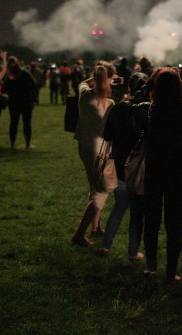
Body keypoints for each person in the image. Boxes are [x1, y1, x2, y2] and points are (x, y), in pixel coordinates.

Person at [133, 67, 182, 282]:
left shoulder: (148, 109)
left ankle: (152, 267)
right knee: (174, 223)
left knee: (151, 220)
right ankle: (172, 270)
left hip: (154, 170)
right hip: (178, 171)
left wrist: (150, 84)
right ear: (179, 88)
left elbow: (135, 99)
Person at [100, 72, 149, 260]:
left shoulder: (120, 107)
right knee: (137, 213)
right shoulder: (147, 109)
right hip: (139, 168)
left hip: (120, 165)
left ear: (129, 87)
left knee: (119, 207)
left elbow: (107, 135)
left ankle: (106, 246)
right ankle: (133, 251)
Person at [71, 61, 116, 248]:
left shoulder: (84, 94)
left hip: (83, 146)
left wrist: (98, 77)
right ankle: (79, 235)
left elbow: (83, 82)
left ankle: (95, 226)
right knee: (101, 192)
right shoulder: (110, 103)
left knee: (94, 186)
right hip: (99, 150)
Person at [2, 56, 38, 149]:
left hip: (14, 102)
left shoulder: (8, 75)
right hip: (26, 101)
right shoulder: (24, 73)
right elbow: (34, 85)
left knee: (13, 123)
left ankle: (12, 143)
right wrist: (35, 98)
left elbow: (4, 89)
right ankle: (28, 143)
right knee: (27, 123)